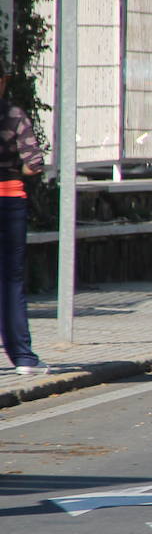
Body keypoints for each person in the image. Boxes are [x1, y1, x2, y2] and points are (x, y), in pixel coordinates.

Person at [1, 85, 49, 375]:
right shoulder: (14, 115)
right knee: (11, 282)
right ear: (4, 81)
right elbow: (34, 166)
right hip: (9, 202)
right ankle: (23, 359)